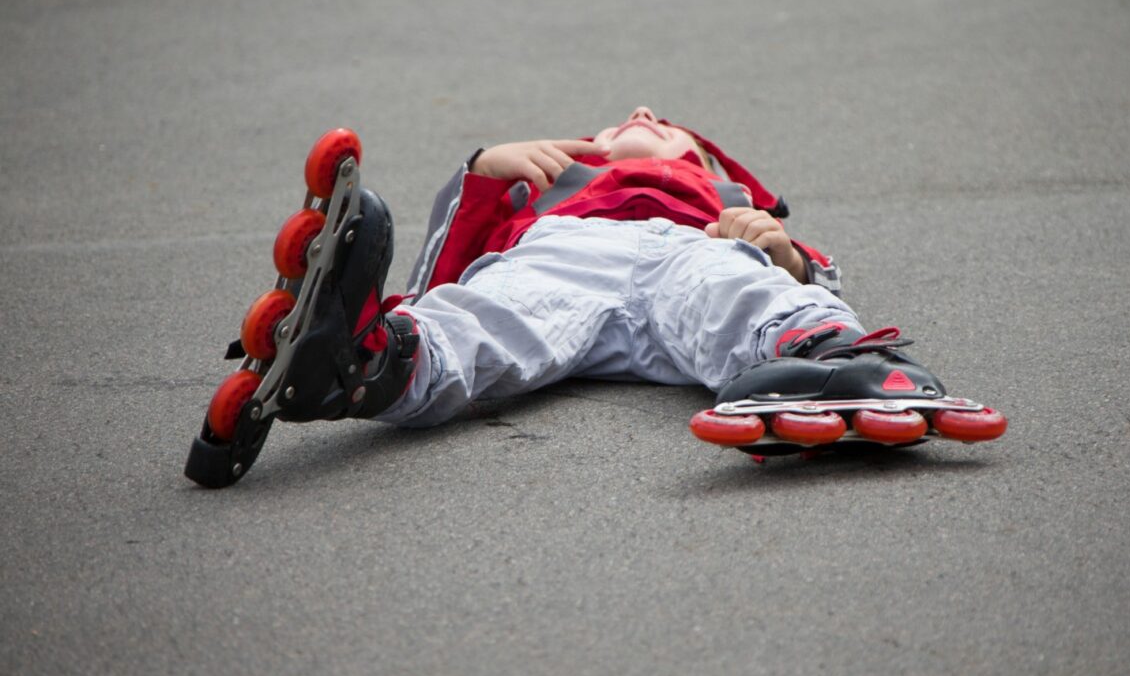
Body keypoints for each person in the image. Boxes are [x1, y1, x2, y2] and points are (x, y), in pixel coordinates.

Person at [187, 108, 1003, 487]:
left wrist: (780, 249)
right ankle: (368, 363)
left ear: (703, 163)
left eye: (666, 123)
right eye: (620, 123)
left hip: (690, 254)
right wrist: (481, 168)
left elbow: (804, 272)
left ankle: (837, 361)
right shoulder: (542, 200)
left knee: (732, 289)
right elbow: (439, 274)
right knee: (486, 315)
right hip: (561, 261)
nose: (641, 114)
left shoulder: (718, 206)